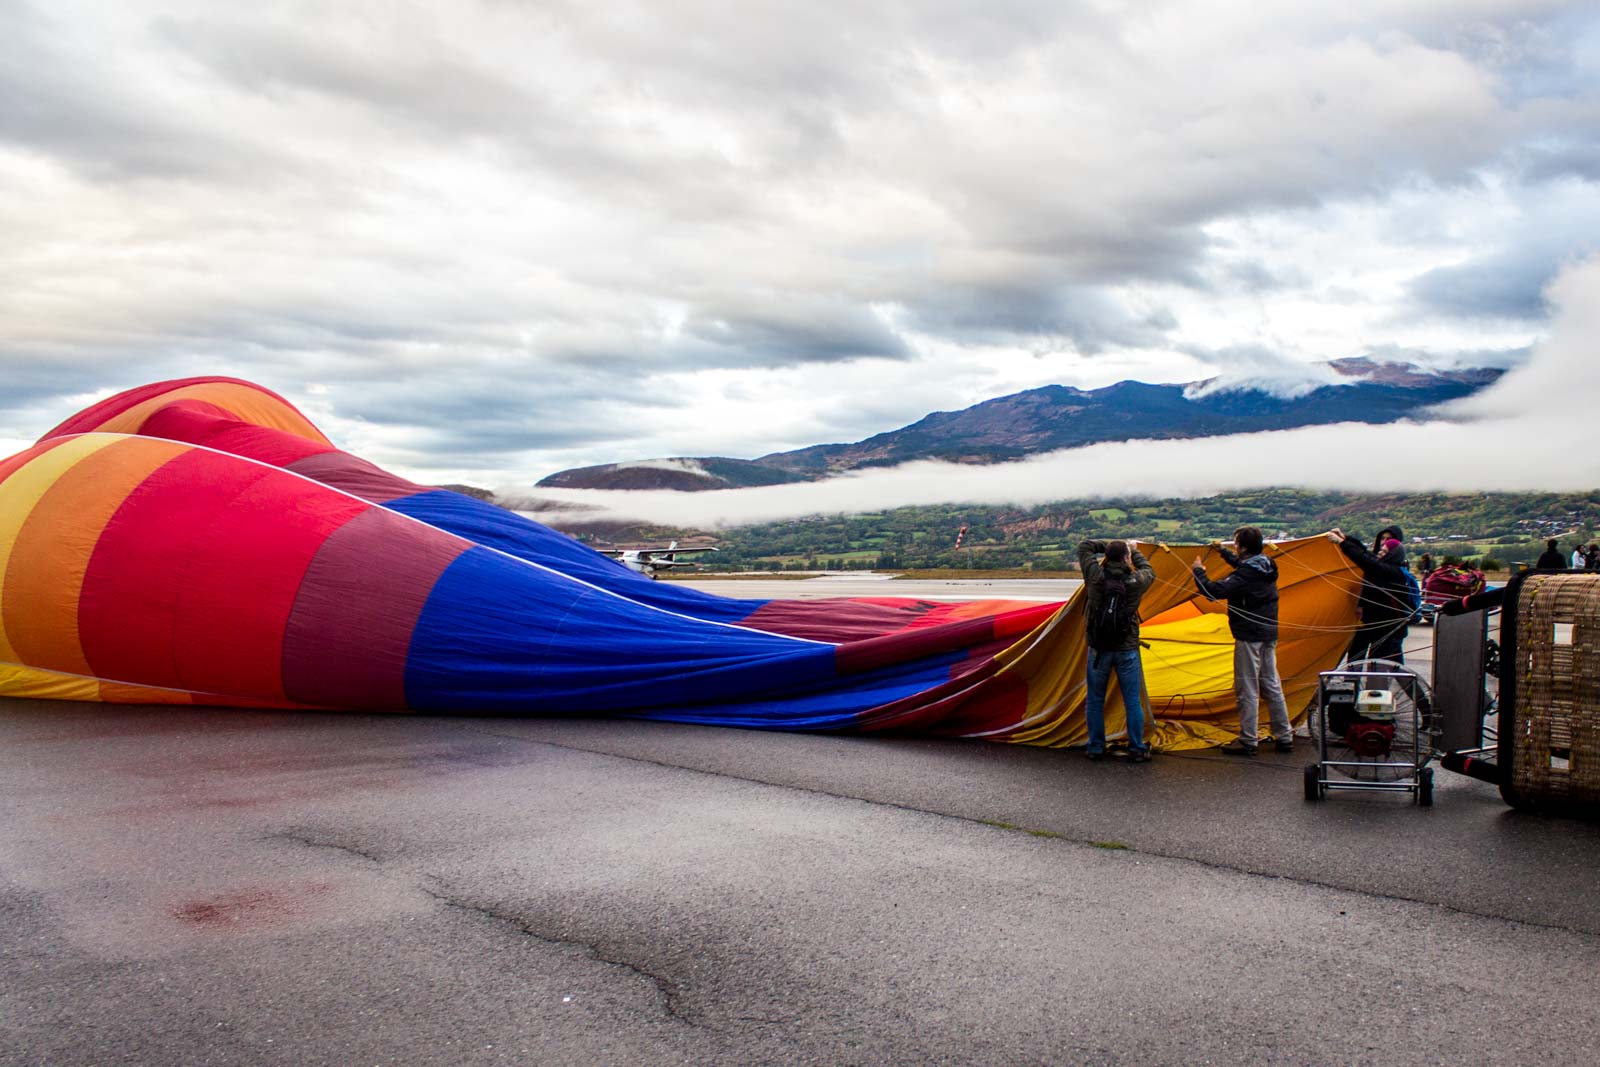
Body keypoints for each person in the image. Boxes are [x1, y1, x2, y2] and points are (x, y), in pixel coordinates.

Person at [1191, 527, 1292, 756]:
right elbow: (1243, 567)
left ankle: (1248, 740)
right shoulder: (1265, 565)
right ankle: (1284, 736)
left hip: (1249, 636)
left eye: (1236, 543)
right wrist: (1223, 553)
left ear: (1243, 546)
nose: (1234, 546)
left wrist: (1198, 572)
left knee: (1247, 688)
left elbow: (1214, 590)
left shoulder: (1246, 575)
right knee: (1271, 685)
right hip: (1268, 634)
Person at [1077, 538, 1155, 762]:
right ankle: (1137, 748)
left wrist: (1107, 546)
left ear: (1106, 558)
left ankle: (1095, 747)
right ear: (1126, 558)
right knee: (1132, 700)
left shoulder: (1095, 577)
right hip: (1126, 648)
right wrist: (1134, 551)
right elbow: (1149, 570)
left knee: (1095, 700)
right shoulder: (1136, 581)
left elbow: (1084, 546)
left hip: (1098, 649)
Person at [1330, 525, 1412, 664]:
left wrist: (1342, 544)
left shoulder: (1392, 571)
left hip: (1387, 628)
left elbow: (1365, 560)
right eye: (1381, 548)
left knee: (1379, 663)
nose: (1380, 552)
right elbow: (1366, 554)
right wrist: (1346, 538)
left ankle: (1375, 685)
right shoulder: (1382, 565)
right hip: (1372, 621)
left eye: (1384, 551)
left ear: (1392, 555)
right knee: (1357, 653)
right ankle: (1352, 682)